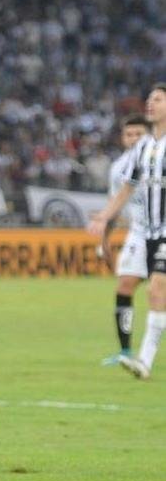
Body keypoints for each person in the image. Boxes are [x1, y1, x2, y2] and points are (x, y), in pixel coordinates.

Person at [88, 85, 166, 380]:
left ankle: (144, 360)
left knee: (158, 289)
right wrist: (104, 217)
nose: (150, 104)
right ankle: (132, 354)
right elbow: (126, 189)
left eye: (157, 99)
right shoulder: (144, 148)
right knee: (135, 287)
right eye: (149, 99)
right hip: (145, 232)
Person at [99, 115, 149, 365]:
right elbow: (114, 206)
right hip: (139, 232)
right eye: (129, 135)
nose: (133, 139)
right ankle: (126, 351)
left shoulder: (159, 157)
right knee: (125, 285)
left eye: (139, 134)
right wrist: (104, 241)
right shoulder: (118, 168)